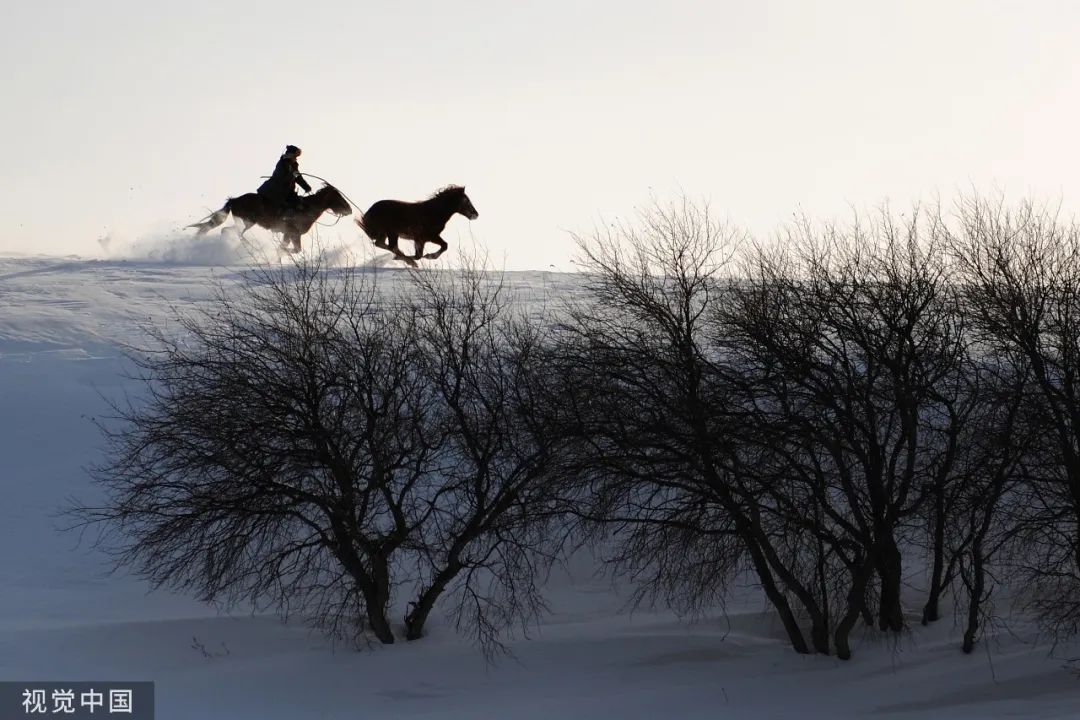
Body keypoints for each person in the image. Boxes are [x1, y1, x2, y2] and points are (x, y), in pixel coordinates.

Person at [256, 145, 312, 217]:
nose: (296, 159)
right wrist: (293, 175)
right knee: (292, 204)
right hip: (276, 189)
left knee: (299, 203)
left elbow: (298, 177)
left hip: (287, 190)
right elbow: (283, 178)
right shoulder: (282, 163)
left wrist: (306, 187)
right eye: (295, 156)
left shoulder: (293, 165)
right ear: (291, 155)